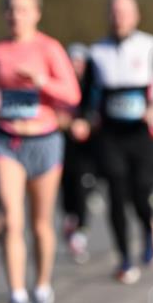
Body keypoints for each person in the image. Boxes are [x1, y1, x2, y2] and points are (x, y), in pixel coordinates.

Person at [0, 0, 81, 303]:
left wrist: (42, 81)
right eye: (10, 9)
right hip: (8, 141)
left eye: (23, 9)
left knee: (41, 225)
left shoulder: (50, 48)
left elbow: (72, 94)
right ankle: (17, 297)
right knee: (11, 219)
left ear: (36, 14)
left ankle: (41, 290)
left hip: (45, 140)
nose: (15, 15)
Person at [73, 0, 153, 284]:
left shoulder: (150, 46)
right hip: (110, 133)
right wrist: (83, 120)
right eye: (114, 13)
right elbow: (86, 96)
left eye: (124, 13)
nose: (119, 18)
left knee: (140, 193)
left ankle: (150, 229)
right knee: (115, 191)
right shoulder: (96, 52)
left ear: (136, 16)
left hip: (142, 132)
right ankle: (125, 258)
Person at [59, 43, 97, 264]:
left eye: (80, 62)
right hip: (64, 147)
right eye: (72, 62)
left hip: (87, 150)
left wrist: (88, 124)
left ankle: (81, 232)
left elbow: (98, 112)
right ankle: (70, 220)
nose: (76, 66)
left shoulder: (92, 86)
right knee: (67, 191)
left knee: (84, 188)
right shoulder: (61, 87)